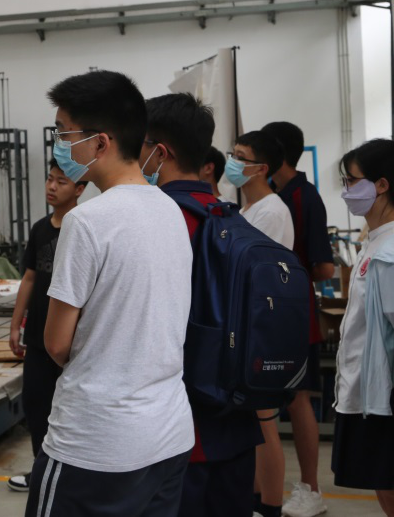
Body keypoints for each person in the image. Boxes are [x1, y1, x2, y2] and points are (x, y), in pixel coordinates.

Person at [27, 71, 194, 517]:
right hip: (168, 432)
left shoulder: (87, 221)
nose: (60, 145)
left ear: (100, 143)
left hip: (96, 440)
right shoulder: (170, 210)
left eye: (64, 134)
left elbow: (56, 343)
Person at [142, 94, 264, 517]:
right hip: (237, 419)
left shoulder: (160, 220)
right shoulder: (232, 217)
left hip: (179, 430)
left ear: (161, 152)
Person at [262, 121, 335, 517]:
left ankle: (311, 489)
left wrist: (291, 272)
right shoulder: (273, 195)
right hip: (270, 309)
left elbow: (325, 267)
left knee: (298, 397)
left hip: (295, 312)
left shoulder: (304, 197)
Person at [225, 130, 295, 517]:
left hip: (261, 328)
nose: (233, 162)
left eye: (240, 156)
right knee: (252, 424)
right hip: (245, 326)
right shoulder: (248, 209)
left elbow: (258, 273)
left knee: (266, 424)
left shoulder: (271, 211)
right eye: (232, 154)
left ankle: (270, 506)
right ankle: (254, 500)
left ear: (261, 168)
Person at [6, 160, 86, 494]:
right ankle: (41, 470)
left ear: (80, 188)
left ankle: (73, 475)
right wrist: (15, 325)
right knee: (37, 405)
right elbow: (29, 278)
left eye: (61, 182)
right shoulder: (40, 229)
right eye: (50, 179)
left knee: (71, 409)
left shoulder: (84, 227)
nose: (52, 187)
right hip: (38, 338)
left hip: (72, 342)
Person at [332, 139, 394, 516]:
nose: (346, 190)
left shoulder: (388, 253)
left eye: (351, 181)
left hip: (383, 394)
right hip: (364, 390)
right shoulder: (373, 243)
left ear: (381, 185)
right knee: (382, 482)